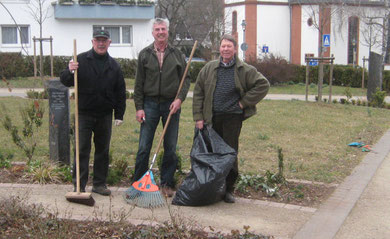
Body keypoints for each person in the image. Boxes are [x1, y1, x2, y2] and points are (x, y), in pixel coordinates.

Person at [192, 34, 270, 203]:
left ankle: (228, 189)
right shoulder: (209, 68)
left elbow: (263, 84)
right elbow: (198, 92)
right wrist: (198, 117)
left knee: (229, 154)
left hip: (232, 119)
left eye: (229, 46)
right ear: (219, 49)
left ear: (235, 50)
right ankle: (211, 187)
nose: (225, 49)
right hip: (210, 118)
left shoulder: (244, 70)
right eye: (223, 46)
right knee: (211, 154)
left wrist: (243, 103)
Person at [60, 29, 126, 196]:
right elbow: (65, 80)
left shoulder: (114, 66)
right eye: (98, 40)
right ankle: (79, 185)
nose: (101, 43)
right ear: (92, 42)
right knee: (81, 149)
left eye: (104, 40)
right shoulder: (80, 60)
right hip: (84, 113)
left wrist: (119, 114)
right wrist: (70, 70)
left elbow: (120, 92)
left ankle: (99, 184)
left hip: (104, 115)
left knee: (102, 151)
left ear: (109, 43)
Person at [133, 18, 190, 197]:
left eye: (163, 29)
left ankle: (166, 183)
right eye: (157, 29)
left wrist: (179, 99)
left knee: (170, 147)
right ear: (152, 33)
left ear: (168, 31)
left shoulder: (177, 54)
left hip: (171, 105)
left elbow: (186, 79)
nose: (160, 32)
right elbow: (138, 83)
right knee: (144, 146)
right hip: (149, 104)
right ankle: (138, 183)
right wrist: (139, 107)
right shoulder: (144, 54)